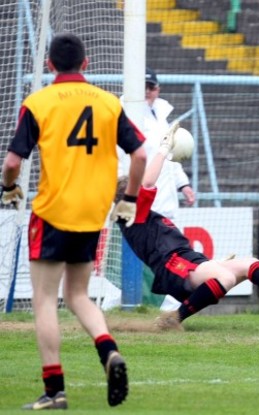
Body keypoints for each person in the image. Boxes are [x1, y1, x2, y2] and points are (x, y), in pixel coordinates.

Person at [0, 33, 146, 409]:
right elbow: (141, 155)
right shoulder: (108, 103)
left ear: (49, 65)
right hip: (91, 213)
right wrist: (128, 198)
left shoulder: (39, 101)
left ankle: (54, 390)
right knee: (78, 294)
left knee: (46, 300)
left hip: (51, 212)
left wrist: (9, 187)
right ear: (86, 63)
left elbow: (13, 162)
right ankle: (109, 352)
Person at [115, 123, 259, 331]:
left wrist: (211, 264)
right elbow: (148, 183)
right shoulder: (130, 215)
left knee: (248, 264)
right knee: (224, 277)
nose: (139, 186)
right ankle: (174, 319)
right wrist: (163, 148)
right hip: (173, 267)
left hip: (185, 260)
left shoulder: (141, 215)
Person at [118, 67, 196, 310]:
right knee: (148, 257)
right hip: (139, 196)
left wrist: (183, 184)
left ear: (157, 89)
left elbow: (168, 155)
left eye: (151, 87)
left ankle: (167, 305)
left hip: (163, 197)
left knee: (169, 255)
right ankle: (129, 303)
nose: (147, 92)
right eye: (143, 87)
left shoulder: (161, 116)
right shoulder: (126, 114)